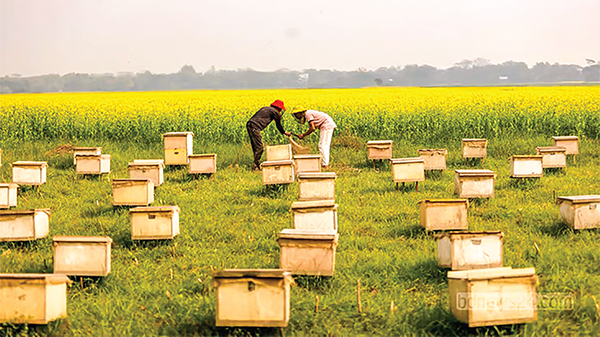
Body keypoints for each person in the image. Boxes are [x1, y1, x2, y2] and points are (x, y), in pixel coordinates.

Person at [246, 100, 291, 170]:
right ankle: (255, 165)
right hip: (255, 126)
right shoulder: (275, 112)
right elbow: (278, 125)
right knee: (260, 147)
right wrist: (284, 132)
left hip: (249, 124)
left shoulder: (266, 108)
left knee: (255, 146)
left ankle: (256, 164)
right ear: (279, 108)